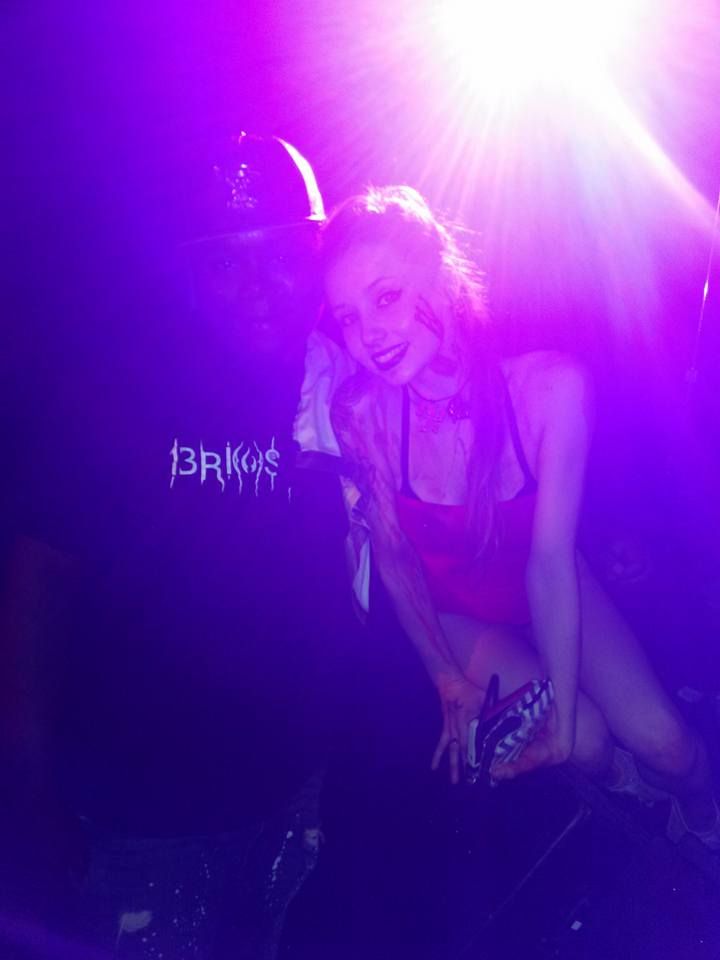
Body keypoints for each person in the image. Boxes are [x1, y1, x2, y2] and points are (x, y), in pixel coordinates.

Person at [1, 132, 355, 957]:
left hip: (297, 791)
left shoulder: (344, 383)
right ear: (193, 272)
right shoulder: (121, 386)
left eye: (279, 254)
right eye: (226, 261)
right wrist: (24, 777)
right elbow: (41, 573)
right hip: (140, 819)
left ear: (316, 259)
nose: (256, 286)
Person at [318, 184, 720, 851]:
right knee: (587, 745)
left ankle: (705, 822)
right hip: (458, 611)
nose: (369, 336)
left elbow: (551, 562)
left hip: (548, 580)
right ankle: (636, 811)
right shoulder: (362, 414)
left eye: (386, 298)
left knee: (669, 745)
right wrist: (444, 676)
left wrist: (558, 703)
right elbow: (392, 556)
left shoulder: (551, 389)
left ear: (440, 276)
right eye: (348, 318)